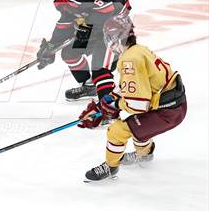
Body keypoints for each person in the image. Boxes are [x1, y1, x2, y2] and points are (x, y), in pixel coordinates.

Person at [78, 17, 187, 181]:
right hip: (171, 104)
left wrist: (114, 106)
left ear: (114, 38)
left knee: (117, 131)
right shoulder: (137, 50)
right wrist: (104, 104)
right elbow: (130, 86)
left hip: (168, 111)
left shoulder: (130, 59)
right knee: (137, 127)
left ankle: (111, 167)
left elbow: (137, 105)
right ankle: (145, 154)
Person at [35, 0, 132, 100]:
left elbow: (108, 9)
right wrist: (52, 45)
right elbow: (66, 21)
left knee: (100, 68)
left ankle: (108, 109)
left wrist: (86, 27)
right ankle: (90, 86)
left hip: (115, 25)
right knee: (69, 53)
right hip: (94, 27)